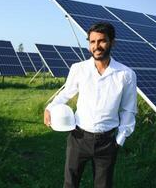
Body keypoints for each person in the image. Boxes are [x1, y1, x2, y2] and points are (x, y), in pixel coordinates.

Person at [44, 22, 137, 188]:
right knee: (70, 183)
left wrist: (119, 141)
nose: (97, 46)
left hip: (107, 141)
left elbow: (128, 110)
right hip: (78, 138)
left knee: (103, 185)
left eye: (102, 41)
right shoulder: (78, 69)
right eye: (92, 42)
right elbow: (66, 93)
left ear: (112, 42)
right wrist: (50, 107)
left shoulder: (126, 74)